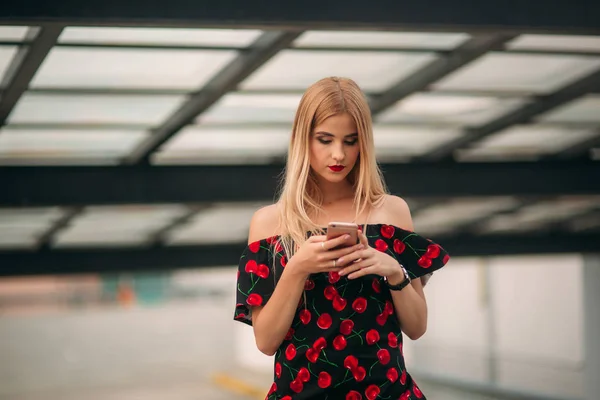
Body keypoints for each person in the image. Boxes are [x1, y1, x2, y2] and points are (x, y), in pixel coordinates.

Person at [233, 77, 450, 400]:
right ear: (302, 140)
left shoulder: (391, 212)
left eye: (351, 141)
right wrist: (298, 268)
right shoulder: (271, 223)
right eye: (325, 139)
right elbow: (266, 342)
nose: (338, 154)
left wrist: (393, 271)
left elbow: (417, 327)